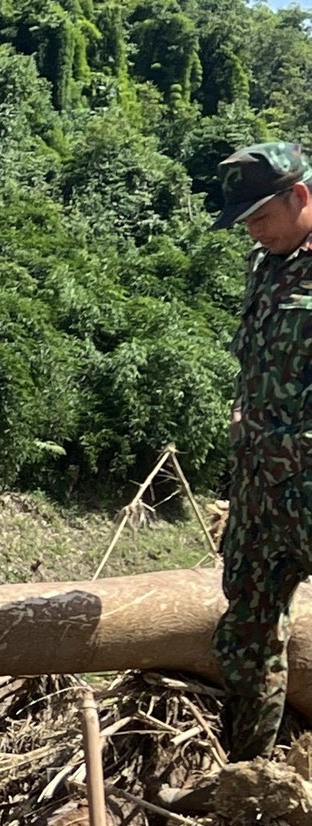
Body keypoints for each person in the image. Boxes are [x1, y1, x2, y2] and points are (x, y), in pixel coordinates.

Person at [210, 142, 312, 762]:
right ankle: (246, 779)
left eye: (261, 215)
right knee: (245, 636)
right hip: (259, 494)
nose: (253, 230)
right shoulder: (265, 264)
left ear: (300, 196)